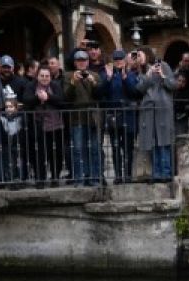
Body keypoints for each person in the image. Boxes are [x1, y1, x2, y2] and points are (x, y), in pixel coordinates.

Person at [135, 47, 177, 182]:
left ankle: (166, 172)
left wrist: (163, 76)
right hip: (149, 110)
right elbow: (139, 89)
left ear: (147, 55)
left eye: (140, 55)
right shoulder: (142, 71)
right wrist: (148, 75)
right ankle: (156, 173)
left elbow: (173, 85)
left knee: (164, 141)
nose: (138, 58)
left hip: (163, 109)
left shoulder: (163, 66)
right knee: (152, 141)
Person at [99, 49, 140, 184]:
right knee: (115, 147)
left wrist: (125, 79)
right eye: (116, 60)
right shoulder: (107, 75)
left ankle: (128, 175)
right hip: (114, 116)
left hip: (128, 116)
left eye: (120, 60)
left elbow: (134, 92)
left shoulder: (131, 75)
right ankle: (118, 175)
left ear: (125, 61)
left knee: (128, 148)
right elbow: (102, 93)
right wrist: (108, 79)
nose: (118, 62)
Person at [64, 49, 102, 186]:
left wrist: (94, 83)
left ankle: (95, 178)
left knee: (94, 149)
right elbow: (66, 97)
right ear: (75, 63)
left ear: (88, 62)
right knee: (78, 149)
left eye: (84, 60)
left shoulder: (95, 75)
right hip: (76, 118)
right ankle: (79, 179)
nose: (81, 63)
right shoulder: (68, 76)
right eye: (79, 61)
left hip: (92, 118)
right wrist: (73, 83)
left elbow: (100, 96)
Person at [23, 66, 64, 186]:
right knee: (38, 154)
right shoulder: (31, 86)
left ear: (50, 77)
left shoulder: (55, 86)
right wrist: (38, 98)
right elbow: (26, 100)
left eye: (47, 76)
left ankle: (55, 178)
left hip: (55, 125)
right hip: (37, 125)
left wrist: (48, 97)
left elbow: (61, 100)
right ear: (37, 76)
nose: (45, 78)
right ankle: (40, 179)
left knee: (55, 153)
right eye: (42, 76)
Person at [173, 51, 189, 135]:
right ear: (182, 61)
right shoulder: (177, 72)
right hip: (179, 109)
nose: (188, 63)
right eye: (186, 61)